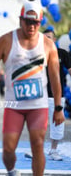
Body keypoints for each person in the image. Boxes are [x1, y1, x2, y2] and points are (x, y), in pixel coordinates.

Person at [0, 2, 65, 176]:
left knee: (37, 144)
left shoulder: (48, 45)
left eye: (35, 22)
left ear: (40, 22)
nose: (31, 26)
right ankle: (12, 170)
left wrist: (58, 108)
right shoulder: (6, 40)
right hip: (14, 106)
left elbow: (55, 78)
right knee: (8, 148)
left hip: (38, 105)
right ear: (21, 20)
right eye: (28, 21)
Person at [25, 29, 71, 161]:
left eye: (49, 37)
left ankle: (53, 150)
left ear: (54, 40)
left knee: (57, 124)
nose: (46, 39)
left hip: (57, 95)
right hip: (40, 93)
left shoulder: (62, 54)